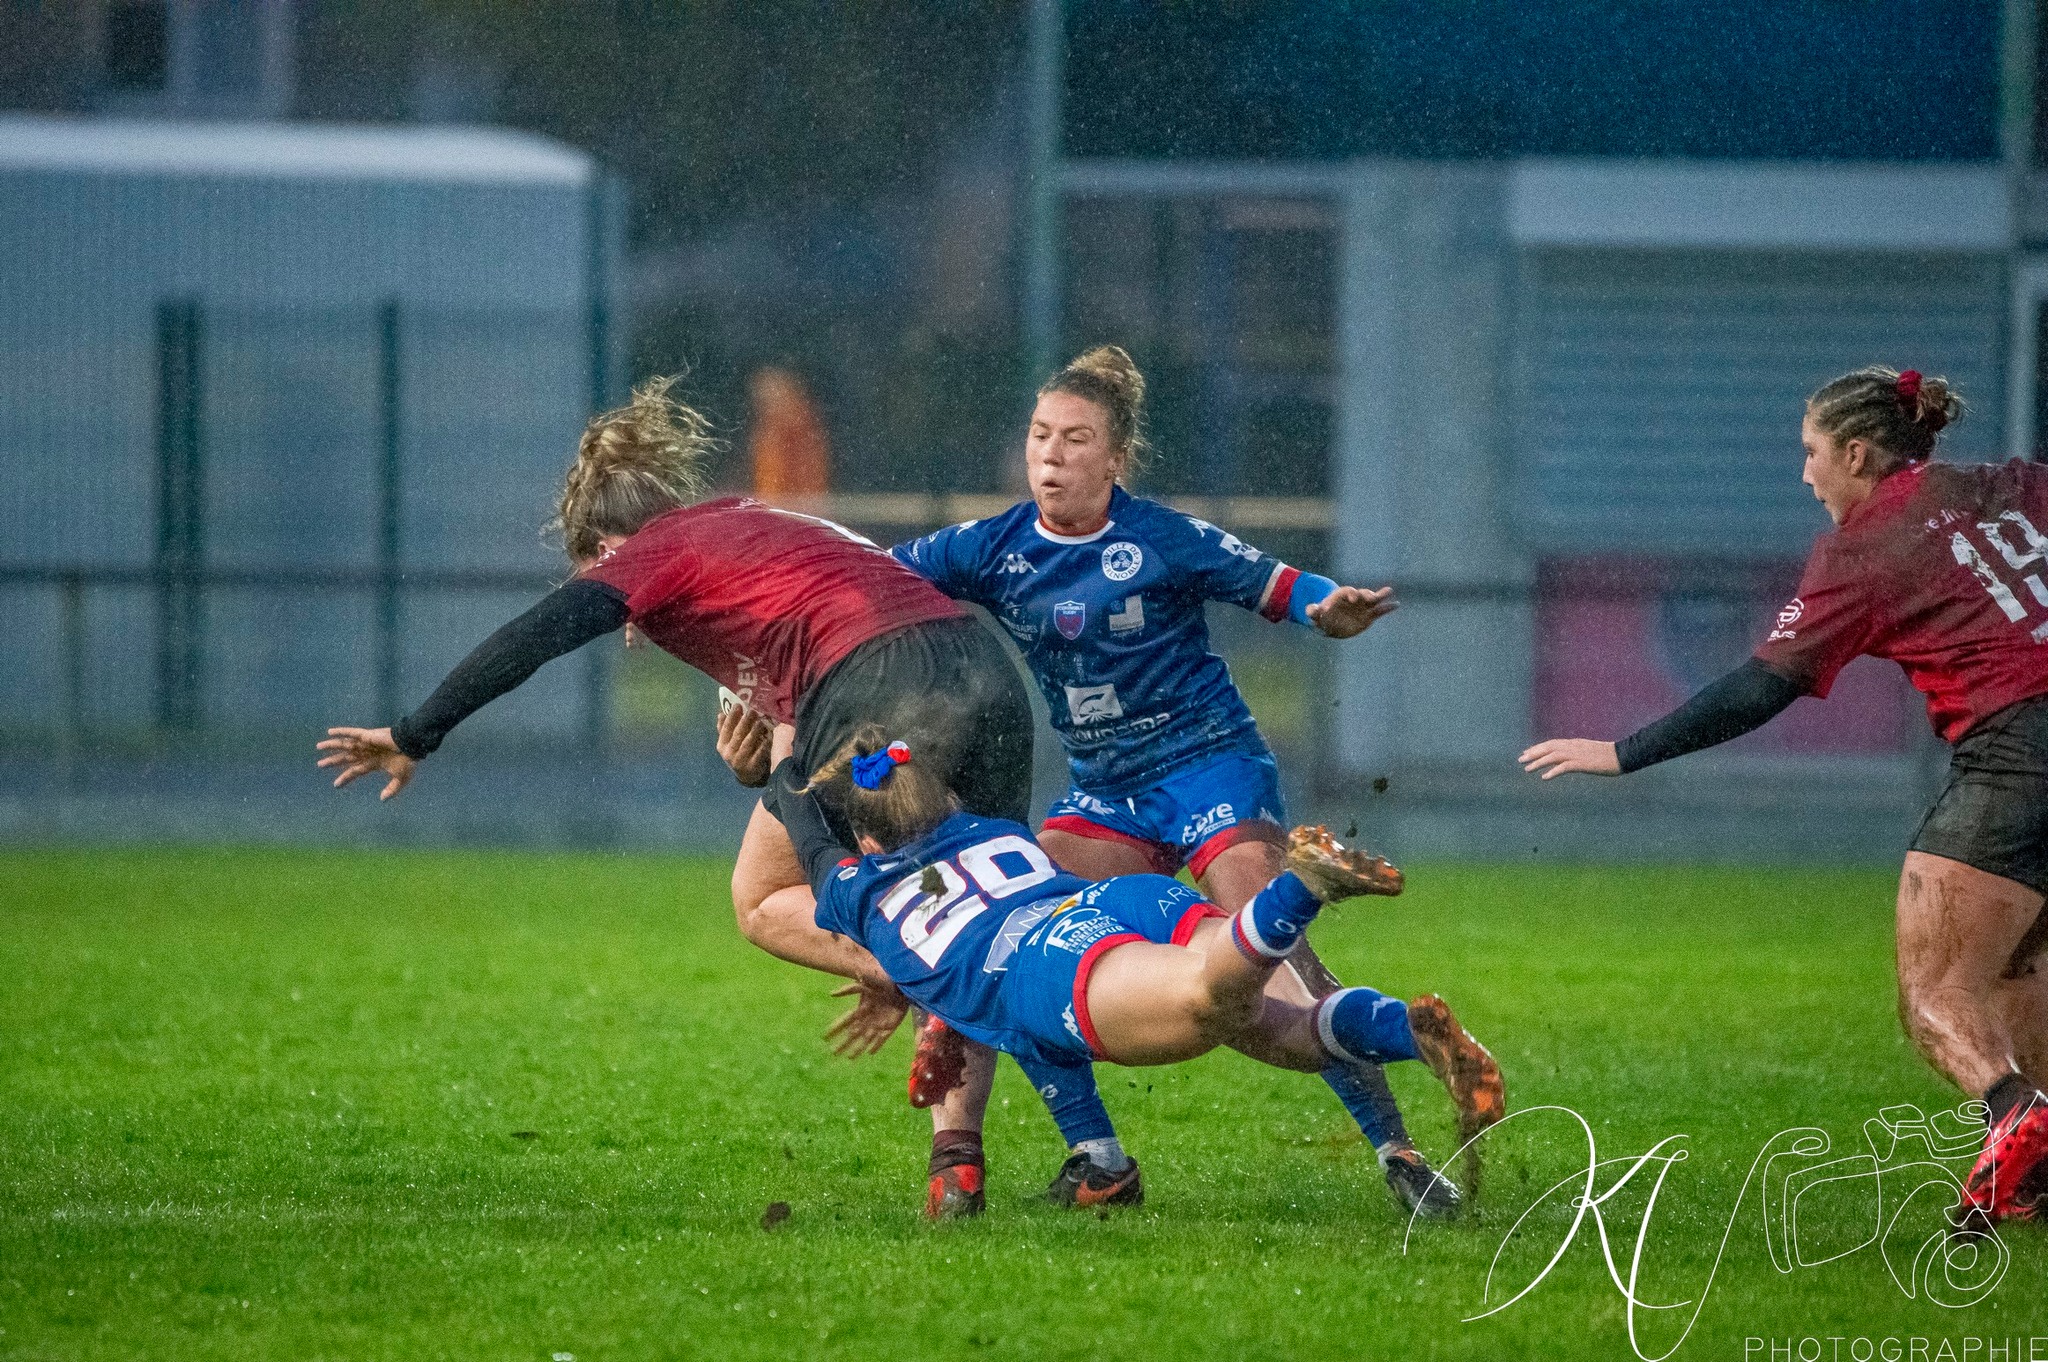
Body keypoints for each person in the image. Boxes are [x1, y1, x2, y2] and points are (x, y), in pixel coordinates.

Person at [316, 375, 1096, 1218]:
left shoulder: (656, 554)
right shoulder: (757, 527)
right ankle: (1070, 1155)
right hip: (983, 677)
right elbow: (809, 688)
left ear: (605, 549)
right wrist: (757, 769)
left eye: (590, 574)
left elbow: (536, 635)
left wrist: (416, 732)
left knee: (765, 898)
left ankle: (908, 977)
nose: (618, 620)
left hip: (880, 686)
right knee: (993, 921)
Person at [885, 344, 1482, 1214]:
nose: (1051, 454)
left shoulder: (1160, 537)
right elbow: (869, 575)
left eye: (1075, 439)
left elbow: (1276, 582)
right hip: (1105, 796)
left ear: (1115, 459)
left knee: (1275, 961)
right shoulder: (994, 547)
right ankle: (1067, 1159)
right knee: (1006, 936)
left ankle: (1401, 1153)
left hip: (1209, 769)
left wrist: (1328, 607)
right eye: (1041, 435)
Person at [1519, 366, 2048, 1227]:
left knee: (1936, 995)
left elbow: (1764, 684)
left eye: (1811, 452)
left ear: (1857, 453)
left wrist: (1624, 752)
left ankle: (2012, 1112)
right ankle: (2038, 1174)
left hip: (2020, 753)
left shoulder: (1866, 546)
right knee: (2017, 963)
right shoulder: (2010, 484)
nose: (1805, 475)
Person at [766, 725, 1501, 1219]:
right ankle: (1403, 1028)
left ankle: (1299, 889)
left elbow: (804, 832)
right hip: (1119, 899)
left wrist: (778, 745)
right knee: (1288, 1027)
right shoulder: (990, 828)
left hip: (1047, 959)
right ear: (942, 798)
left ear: (865, 840)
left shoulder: (856, 889)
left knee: (1211, 1000)